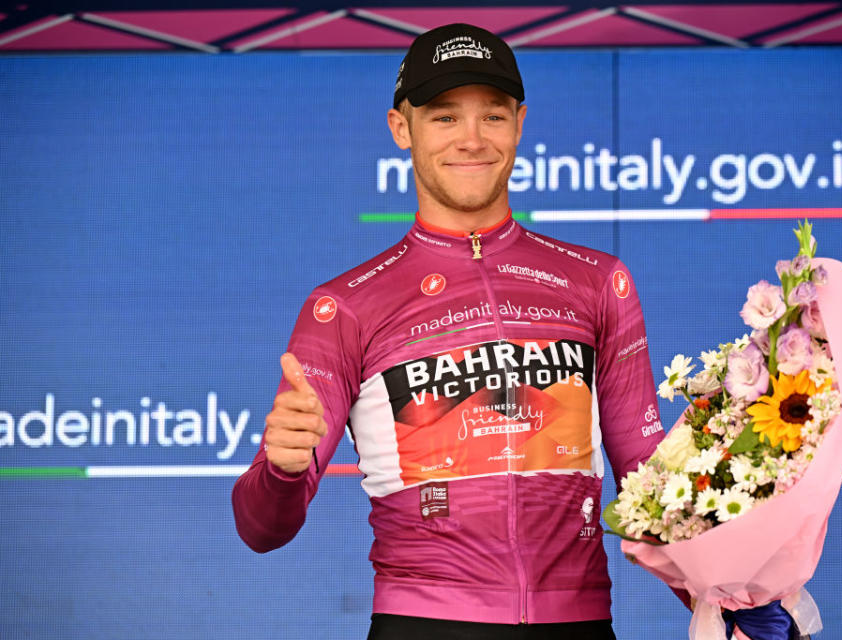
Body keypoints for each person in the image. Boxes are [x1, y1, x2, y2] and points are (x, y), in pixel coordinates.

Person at [232, 23, 666, 639]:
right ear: (401, 129)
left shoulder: (597, 282)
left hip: (580, 622)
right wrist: (279, 471)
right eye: (443, 117)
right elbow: (261, 529)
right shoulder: (346, 305)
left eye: (491, 116)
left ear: (519, 123)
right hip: (422, 624)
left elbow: (655, 485)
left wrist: (735, 599)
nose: (471, 139)